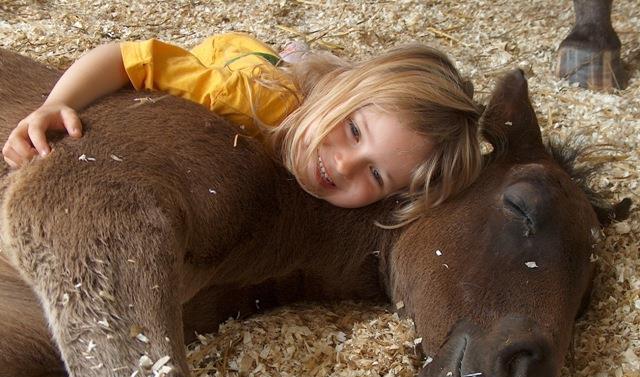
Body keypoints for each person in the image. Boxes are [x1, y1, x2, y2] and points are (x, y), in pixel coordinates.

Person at [2, 32, 483, 224]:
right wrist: (57, 104)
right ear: (344, 94)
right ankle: (296, 61)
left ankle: (298, 60)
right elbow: (132, 58)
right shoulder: (246, 100)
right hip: (235, 57)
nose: (342, 165)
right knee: (268, 64)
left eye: (376, 176)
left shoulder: (344, 163)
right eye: (354, 132)